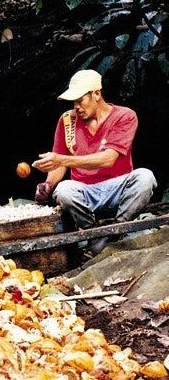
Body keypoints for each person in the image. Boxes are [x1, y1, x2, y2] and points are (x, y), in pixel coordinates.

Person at [33, 69, 156, 254]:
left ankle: (114, 231)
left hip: (117, 189)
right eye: (73, 102)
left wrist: (61, 159)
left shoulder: (125, 116)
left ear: (96, 94)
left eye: (80, 100)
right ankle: (93, 234)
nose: (76, 107)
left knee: (145, 177)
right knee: (63, 190)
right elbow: (60, 162)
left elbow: (108, 159)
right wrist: (48, 184)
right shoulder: (67, 120)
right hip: (85, 192)